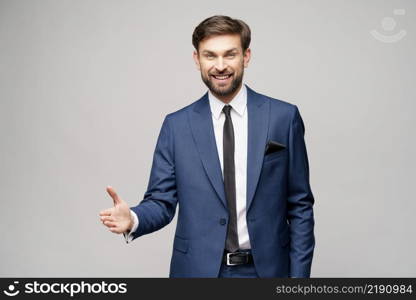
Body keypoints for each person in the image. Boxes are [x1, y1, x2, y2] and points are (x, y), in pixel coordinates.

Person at [99, 15, 315, 278]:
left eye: (230, 55)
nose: (220, 66)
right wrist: (133, 219)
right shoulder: (176, 126)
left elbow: (300, 206)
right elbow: (161, 201)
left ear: (246, 57)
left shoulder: (283, 117)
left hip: (267, 272)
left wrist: (299, 280)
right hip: (197, 272)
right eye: (210, 56)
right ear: (197, 60)